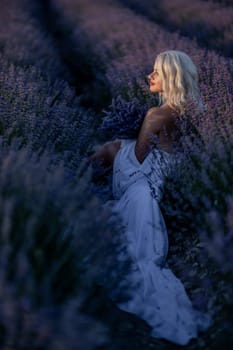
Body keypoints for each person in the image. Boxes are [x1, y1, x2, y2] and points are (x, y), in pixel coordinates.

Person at [89, 50, 212, 346]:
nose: (150, 76)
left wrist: (115, 149)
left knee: (109, 149)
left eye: (156, 72)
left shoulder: (156, 114)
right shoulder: (200, 109)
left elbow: (140, 158)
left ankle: (75, 180)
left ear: (169, 78)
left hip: (151, 174)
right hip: (176, 171)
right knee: (117, 145)